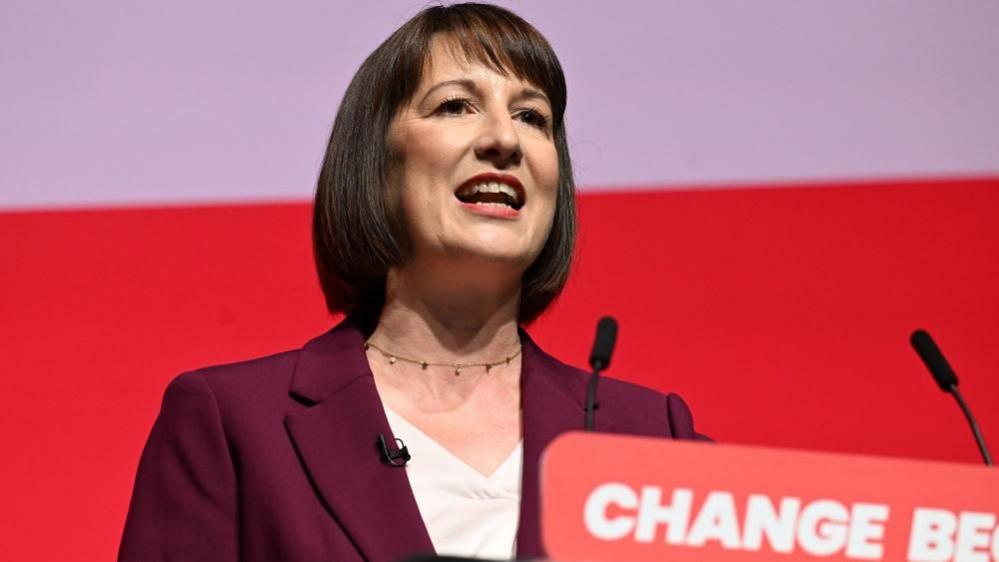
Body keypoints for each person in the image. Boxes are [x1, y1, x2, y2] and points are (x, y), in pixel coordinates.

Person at [118, 3, 708, 562]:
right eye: (455, 106)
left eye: (533, 117)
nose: (504, 139)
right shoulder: (235, 425)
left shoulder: (649, 438)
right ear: (377, 161)